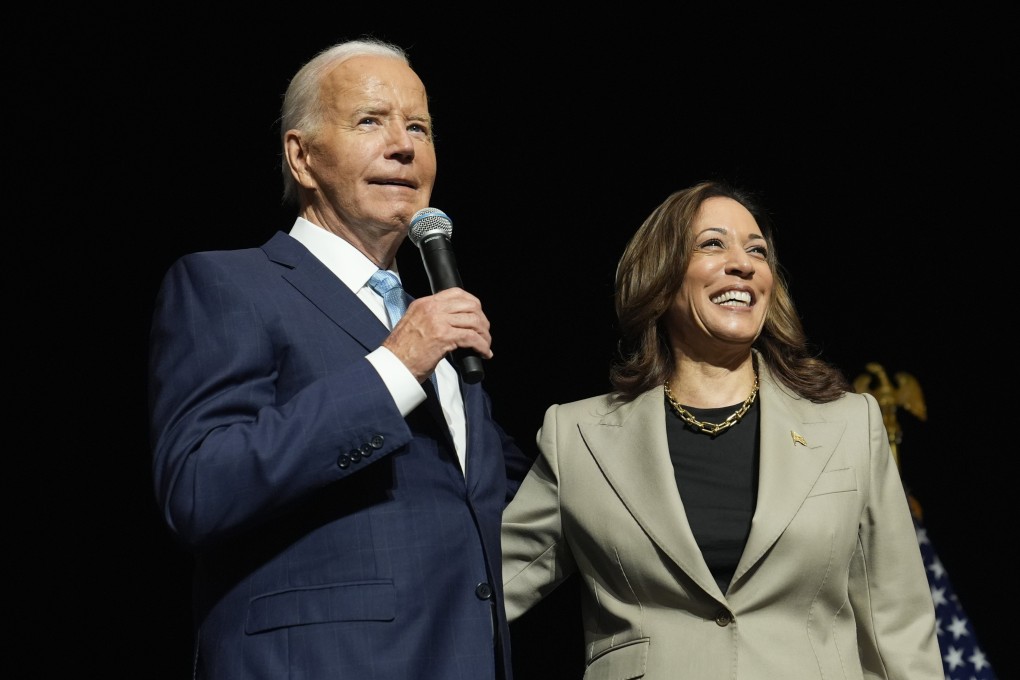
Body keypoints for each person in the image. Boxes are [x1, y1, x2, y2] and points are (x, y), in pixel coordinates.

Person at [148, 38, 531, 680]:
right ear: (301, 157)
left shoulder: (429, 321)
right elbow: (198, 487)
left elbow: (508, 502)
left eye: (419, 127)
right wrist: (392, 368)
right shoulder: (228, 285)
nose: (404, 146)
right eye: (370, 121)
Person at [500, 179, 943, 679]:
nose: (744, 263)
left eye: (757, 250)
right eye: (713, 244)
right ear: (661, 275)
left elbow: (899, 625)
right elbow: (485, 591)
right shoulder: (578, 436)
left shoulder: (848, 424)